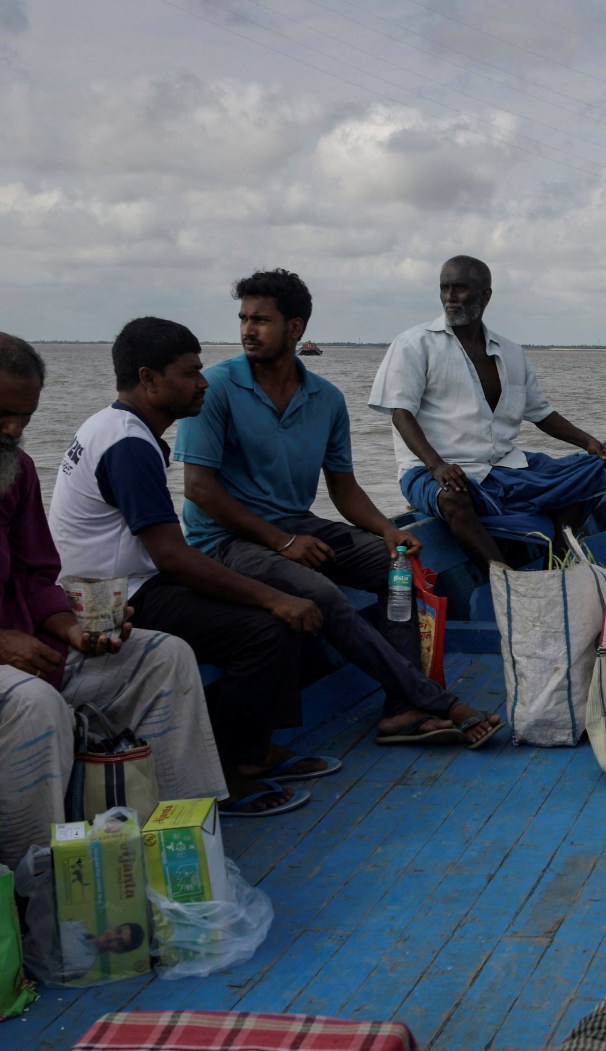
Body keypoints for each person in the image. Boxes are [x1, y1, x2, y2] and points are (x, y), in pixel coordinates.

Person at [178, 270, 501, 751]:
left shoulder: (325, 398)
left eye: (261, 320)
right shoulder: (217, 388)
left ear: (295, 328)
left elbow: (343, 488)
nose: (247, 330)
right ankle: (437, 701)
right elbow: (199, 489)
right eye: (243, 319)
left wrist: (387, 531)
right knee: (321, 593)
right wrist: (284, 542)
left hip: (294, 526)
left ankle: (400, 709)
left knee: (396, 568)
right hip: (225, 540)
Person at [0, 330, 228, 860]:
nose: (12, 431)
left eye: (25, 417)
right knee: (31, 702)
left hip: (20, 648)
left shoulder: (16, 470)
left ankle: (184, 846)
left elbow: (37, 576)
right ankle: (36, 883)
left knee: (164, 656)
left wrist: (72, 628)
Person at [49, 317, 332, 817]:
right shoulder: (127, 444)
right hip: (115, 596)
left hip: (129, 581)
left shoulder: (113, 425)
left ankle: (252, 745)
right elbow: (173, 556)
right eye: (189, 372)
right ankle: (233, 768)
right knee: (266, 628)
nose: (203, 383)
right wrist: (274, 599)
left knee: (276, 596)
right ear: (149, 379)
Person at [370, 255, 606, 567]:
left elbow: (541, 414)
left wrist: (589, 442)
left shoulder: (511, 352)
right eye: (444, 288)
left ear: (485, 295)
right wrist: (437, 465)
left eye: (459, 288)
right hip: (429, 469)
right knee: (454, 498)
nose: (449, 297)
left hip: (501, 465)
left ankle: (557, 558)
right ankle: (504, 580)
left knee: (586, 473)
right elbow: (401, 414)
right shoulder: (413, 344)